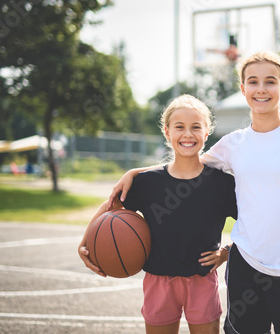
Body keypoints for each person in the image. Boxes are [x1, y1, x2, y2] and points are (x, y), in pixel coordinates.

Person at [108, 51, 280, 334]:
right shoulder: (234, 144)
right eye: (252, 82)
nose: (261, 89)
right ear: (243, 88)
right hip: (245, 270)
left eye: (270, 82)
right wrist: (136, 172)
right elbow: (186, 162)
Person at [79, 94, 237, 334]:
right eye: (179, 127)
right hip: (158, 281)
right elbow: (110, 207)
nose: (187, 134)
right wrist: (84, 243)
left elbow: (255, 225)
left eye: (196, 127)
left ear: (206, 133)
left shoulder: (221, 184)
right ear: (167, 132)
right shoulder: (147, 182)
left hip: (202, 280)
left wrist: (226, 253)